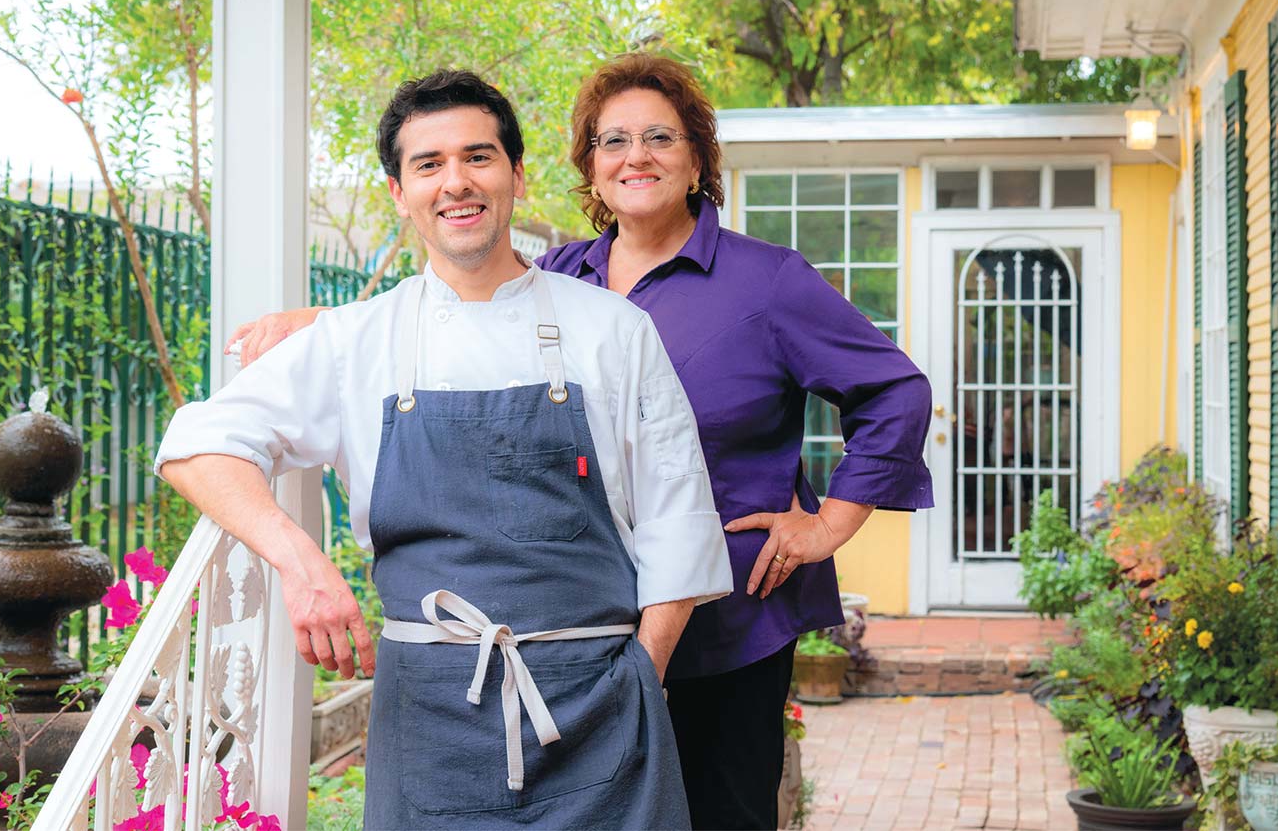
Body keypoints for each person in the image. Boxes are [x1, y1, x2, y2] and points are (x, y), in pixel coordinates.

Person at [231, 53, 933, 830]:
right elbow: (461, 303)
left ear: (697, 156)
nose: (637, 156)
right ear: (589, 170)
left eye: (660, 138)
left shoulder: (765, 282)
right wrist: (317, 327)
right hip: (580, 635)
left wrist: (830, 522)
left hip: (725, 617)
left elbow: (893, 390)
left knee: (720, 813)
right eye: (613, 142)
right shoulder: (567, 276)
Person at [156, 69, 732, 830]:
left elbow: (678, 521)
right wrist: (303, 565)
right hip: (429, 718)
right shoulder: (356, 341)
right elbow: (197, 444)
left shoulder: (612, 330)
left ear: (517, 176)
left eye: (479, 157)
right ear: (399, 191)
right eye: (428, 165)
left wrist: (639, 678)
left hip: (600, 709)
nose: (456, 183)